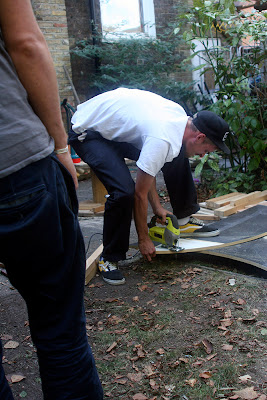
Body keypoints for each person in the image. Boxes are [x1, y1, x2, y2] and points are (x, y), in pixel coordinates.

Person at [0, 1, 103, 399]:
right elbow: (26, 42)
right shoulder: (163, 134)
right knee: (59, 330)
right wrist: (61, 146)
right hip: (15, 164)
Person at [68, 87, 230, 286]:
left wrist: (158, 208)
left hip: (111, 128)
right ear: (199, 137)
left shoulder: (180, 121)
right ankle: (109, 257)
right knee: (124, 191)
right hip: (88, 131)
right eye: (206, 150)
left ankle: (184, 218)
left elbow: (149, 165)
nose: (204, 155)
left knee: (178, 154)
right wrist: (144, 238)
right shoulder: (162, 137)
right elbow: (139, 194)